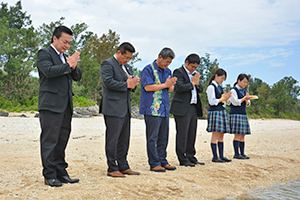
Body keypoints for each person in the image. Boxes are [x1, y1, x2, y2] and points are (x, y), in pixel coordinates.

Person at [37, 25, 82, 187]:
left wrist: (73, 66)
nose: (67, 46)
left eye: (69, 43)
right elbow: (48, 71)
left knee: (62, 140)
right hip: (50, 105)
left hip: (66, 106)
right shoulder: (44, 53)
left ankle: (61, 172)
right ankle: (49, 175)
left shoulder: (66, 57)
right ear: (55, 38)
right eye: (65, 42)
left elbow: (77, 77)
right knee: (50, 141)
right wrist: (68, 65)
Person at [100, 42, 140, 178]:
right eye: (126, 57)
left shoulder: (127, 67)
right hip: (112, 108)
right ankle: (112, 167)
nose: (127, 60)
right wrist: (126, 84)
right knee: (113, 139)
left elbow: (129, 86)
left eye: (130, 58)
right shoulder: (107, 64)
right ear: (119, 52)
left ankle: (123, 165)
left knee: (124, 139)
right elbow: (108, 82)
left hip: (125, 108)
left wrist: (133, 83)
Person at [139, 47, 177, 172]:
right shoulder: (148, 69)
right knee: (152, 137)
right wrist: (166, 85)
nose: (168, 64)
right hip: (152, 109)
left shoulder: (168, 71)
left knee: (163, 137)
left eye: (170, 62)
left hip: (164, 109)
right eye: (167, 61)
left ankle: (163, 160)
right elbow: (148, 87)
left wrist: (170, 85)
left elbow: (170, 89)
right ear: (160, 57)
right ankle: (154, 163)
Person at [170, 53, 205, 167]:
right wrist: (192, 83)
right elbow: (179, 87)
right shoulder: (178, 72)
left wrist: (197, 84)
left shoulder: (195, 74)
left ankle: (191, 156)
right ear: (186, 63)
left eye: (196, 67)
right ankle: (182, 159)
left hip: (193, 107)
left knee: (192, 133)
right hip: (181, 107)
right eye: (192, 66)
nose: (194, 69)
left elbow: (200, 89)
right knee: (182, 134)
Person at [206, 68, 232, 163]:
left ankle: (221, 156)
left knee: (221, 134)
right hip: (215, 112)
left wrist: (227, 98)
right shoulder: (211, 87)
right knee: (215, 134)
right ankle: (215, 156)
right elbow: (212, 102)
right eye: (221, 78)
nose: (222, 80)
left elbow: (223, 101)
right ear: (216, 76)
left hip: (221, 111)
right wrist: (223, 98)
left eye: (224, 79)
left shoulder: (220, 87)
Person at [229, 74, 252, 159]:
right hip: (235, 114)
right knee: (237, 134)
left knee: (243, 134)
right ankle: (236, 154)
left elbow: (248, 103)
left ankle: (242, 153)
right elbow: (235, 102)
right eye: (244, 82)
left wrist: (247, 99)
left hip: (243, 114)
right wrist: (244, 98)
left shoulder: (243, 91)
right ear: (238, 80)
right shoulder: (233, 90)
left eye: (246, 82)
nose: (245, 84)